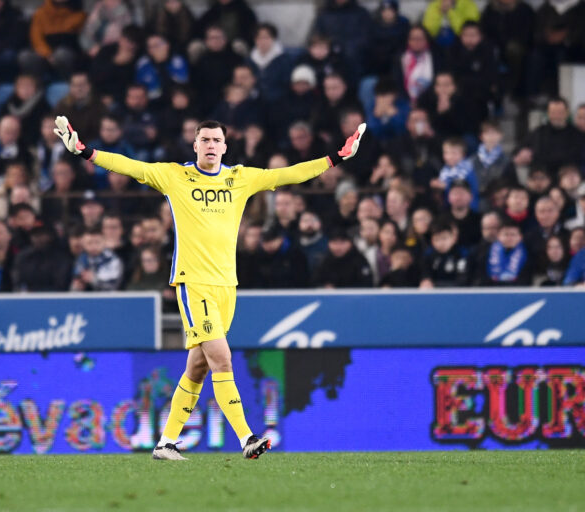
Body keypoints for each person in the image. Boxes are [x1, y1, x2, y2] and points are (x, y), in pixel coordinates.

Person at [53, 114, 365, 459]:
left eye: (217, 140)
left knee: (197, 367)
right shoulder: (175, 176)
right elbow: (130, 166)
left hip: (226, 286)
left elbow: (288, 174)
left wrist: (336, 157)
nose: (212, 146)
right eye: (206, 140)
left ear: (225, 146)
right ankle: (247, 437)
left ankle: (166, 442)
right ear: (196, 145)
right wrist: (85, 151)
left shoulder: (240, 178)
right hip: (194, 284)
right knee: (222, 359)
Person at [420, 217, 470, 287]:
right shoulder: (428, 255)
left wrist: (436, 286)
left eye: (444, 238)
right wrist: (426, 280)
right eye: (436, 239)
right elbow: (426, 276)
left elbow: (462, 281)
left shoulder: (462, 254)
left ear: (453, 238)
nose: (441, 243)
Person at [71, 226, 124, 291]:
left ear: (104, 242)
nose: (93, 246)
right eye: (89, 243)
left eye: (97, 242)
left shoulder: (113, 260)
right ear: (83, 244)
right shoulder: (81, 259)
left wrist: (93, 280)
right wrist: (76, 286)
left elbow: (113, 288)